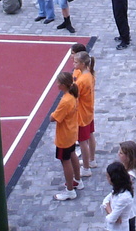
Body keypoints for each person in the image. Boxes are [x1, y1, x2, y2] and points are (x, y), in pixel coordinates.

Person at [50, 71, 81, 201]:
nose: (57, 84)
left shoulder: (65, 101)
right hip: (71, 132)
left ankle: (70, 190)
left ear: (63, 85)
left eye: (58, 82)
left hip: (64, 136)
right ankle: (78, 180)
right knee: (72, 155)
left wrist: (52, 114)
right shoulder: (72, 95)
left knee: (65, 161)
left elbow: (54, 118)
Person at [73, 52, 97, 176]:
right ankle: (91, 160)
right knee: (90, 135)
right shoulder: (90, 75)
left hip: (81, 115)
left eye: (75, 62)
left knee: (83, 142)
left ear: (82, 64)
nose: (73, 64)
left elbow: (74, 98)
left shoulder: (81, 81)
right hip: (89, 111)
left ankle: (86, 169)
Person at [118, 141, 136, 231]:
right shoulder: (134, 168)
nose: (118, 154)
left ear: (128, 157)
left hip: (129, 207)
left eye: (121, 153)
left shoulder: (130, 176)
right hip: (132, 205)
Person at [101, 161, 135, 230]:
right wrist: (111, 212)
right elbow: (106, 201)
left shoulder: (124, 197)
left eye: (108, 177)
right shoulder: (118, 189)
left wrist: (109, 213)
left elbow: (111, 219)